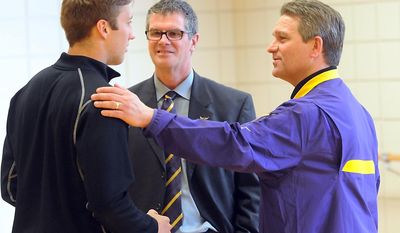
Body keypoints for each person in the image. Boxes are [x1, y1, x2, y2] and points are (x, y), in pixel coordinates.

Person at [91, 0, 380, 232]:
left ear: (315, 47)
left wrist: (153, 119)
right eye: (155, 32)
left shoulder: (307, 114)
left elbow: (235, 144)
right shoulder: (357, 113)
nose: (271, 47)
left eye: (282, 38)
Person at [0, 0, 171, 232]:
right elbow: (110, 207)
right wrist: (153, 227)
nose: (132, 35)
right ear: (104, 28)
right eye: (128, 22)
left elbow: (10, 188)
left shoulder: (25, 93)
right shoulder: (103, 101)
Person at [118, 0, 260, 232]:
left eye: (174, 33)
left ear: (193, 41)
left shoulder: (234, 105)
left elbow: (251, 189)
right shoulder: (127, 104)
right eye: (155, 33)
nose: (163, 41)